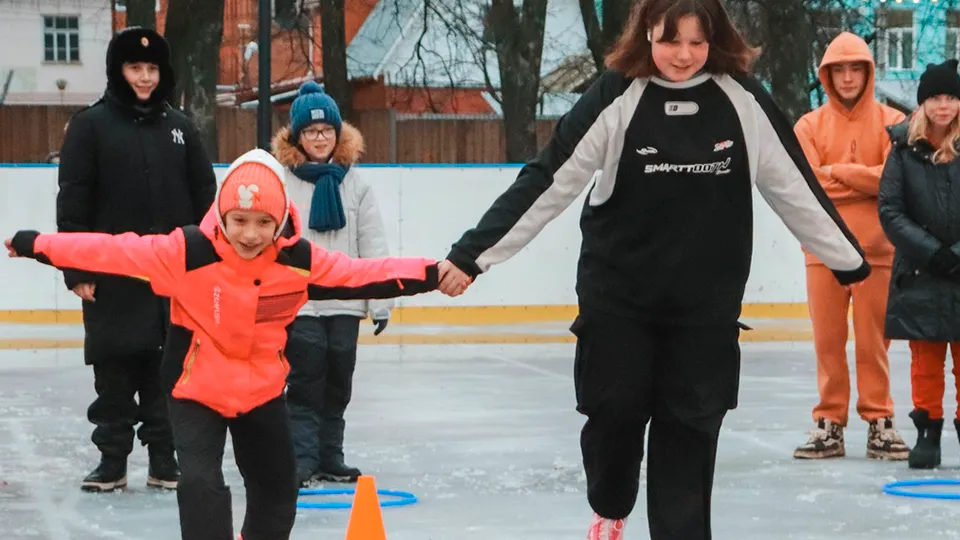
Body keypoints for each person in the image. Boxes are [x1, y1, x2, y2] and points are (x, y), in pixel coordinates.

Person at [435, 0, 870, 538]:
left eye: (696, 41)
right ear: (646, 36)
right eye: (669, 41)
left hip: (704, 311)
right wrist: (472, 255)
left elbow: (796, 187)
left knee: (690, 435)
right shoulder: (617, 94)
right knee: (614, 414)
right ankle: (611, 506)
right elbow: (547, 181)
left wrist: (846, 257)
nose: (683, 56)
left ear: (716, 38)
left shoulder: (740, 100)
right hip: (620, 301)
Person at [5, 148, 440, 540]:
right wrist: (38, 244)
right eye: (239, 221)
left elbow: (365, 273)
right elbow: (110, 251)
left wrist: (436, 273)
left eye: (263, 223)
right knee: (200, 483)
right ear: (222, 216)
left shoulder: (298, 262)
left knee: (276, 489)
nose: (250, 234)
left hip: (261, 390)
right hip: (196, 388)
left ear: (281, 220)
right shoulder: (187, 252)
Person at [56, 26, 217, 492]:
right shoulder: (90, 126)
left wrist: (206, 265)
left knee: (170, 370)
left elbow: (206, 202)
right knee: (114, 371)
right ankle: (112, 460)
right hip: (111, 276)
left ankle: (166, 459)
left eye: (151, 68)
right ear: (118, 70)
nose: (144, 77)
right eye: (134, 67)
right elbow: (74, 202)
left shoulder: (181, 127)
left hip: (173, 276)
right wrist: (76, 269)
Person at [791, 32, 909, 461]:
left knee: (873, 342)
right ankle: (829, 423)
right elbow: (808, 185)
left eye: (854, 68)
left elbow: (894, 182)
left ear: (867, 72)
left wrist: (838, 171)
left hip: (878, 249)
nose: (846, 78)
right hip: (823, 249)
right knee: (828, 341)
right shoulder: (808, 126)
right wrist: (865, 179)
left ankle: (880, 421)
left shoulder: (893, 121)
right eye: (837, 70)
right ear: (826, 75)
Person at [271, 81, 390, 485]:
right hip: (300, 302)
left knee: (338, 379)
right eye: (310, 132)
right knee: (305, 379)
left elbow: (372, 243)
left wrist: (381, 300)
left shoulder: (355, 182)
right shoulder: (282, 183)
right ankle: (301, 459)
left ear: (337, 133)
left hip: (345, 300)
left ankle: (330, 456)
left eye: (326, 131)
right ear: (297, 136)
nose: (319, 139)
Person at [878, 59, 960, 470]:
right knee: (925, 360)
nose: (943, 106)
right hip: (920, 274)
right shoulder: (903, 150)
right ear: (922, 103)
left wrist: (956, 255)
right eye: (934, 98)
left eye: (950, 97)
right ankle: (927, 433)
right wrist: (933, 253)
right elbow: (891, 211)